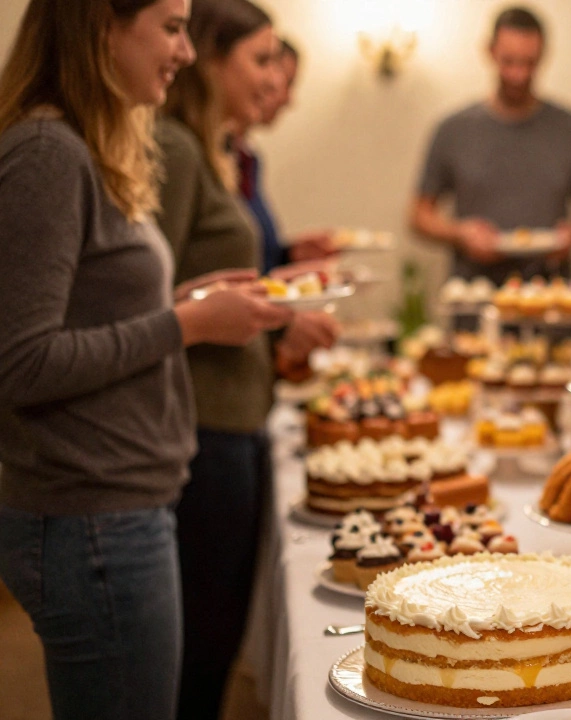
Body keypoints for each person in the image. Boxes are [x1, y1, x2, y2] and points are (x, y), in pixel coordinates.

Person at [0, 1, 292, 718]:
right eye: (169, 27)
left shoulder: (85, 146)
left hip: (121, 508)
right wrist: (186, 322)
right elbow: (23, 362)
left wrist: (189, 298)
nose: (187, 52)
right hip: (94, 517)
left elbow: (95, 310)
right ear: (101, 25)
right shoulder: (47, 151)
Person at [155, 1, 337, 718]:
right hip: (202, 424)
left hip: (235, 414)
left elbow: (214, 282)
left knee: (214, 637)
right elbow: (152, 299)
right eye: (260, 59)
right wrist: (273, 325)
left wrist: (278, 294)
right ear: (210, 57)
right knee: (201, 643)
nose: (273, 77)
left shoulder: (210, 151)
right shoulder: (172, 148)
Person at [410, 5, 571, 283]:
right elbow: (419, 215)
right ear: (489, 52)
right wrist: (460, 234)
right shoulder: (453, 129)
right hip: (474, 295)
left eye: (529, 63)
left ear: (543, 55)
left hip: (553, 296)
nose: (519, 74)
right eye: (509, 61)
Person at [236, 37, 334, 274]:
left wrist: (288, 255)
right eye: (286, 83)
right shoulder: (187, 149)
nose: (286, 97)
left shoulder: (248, 157)